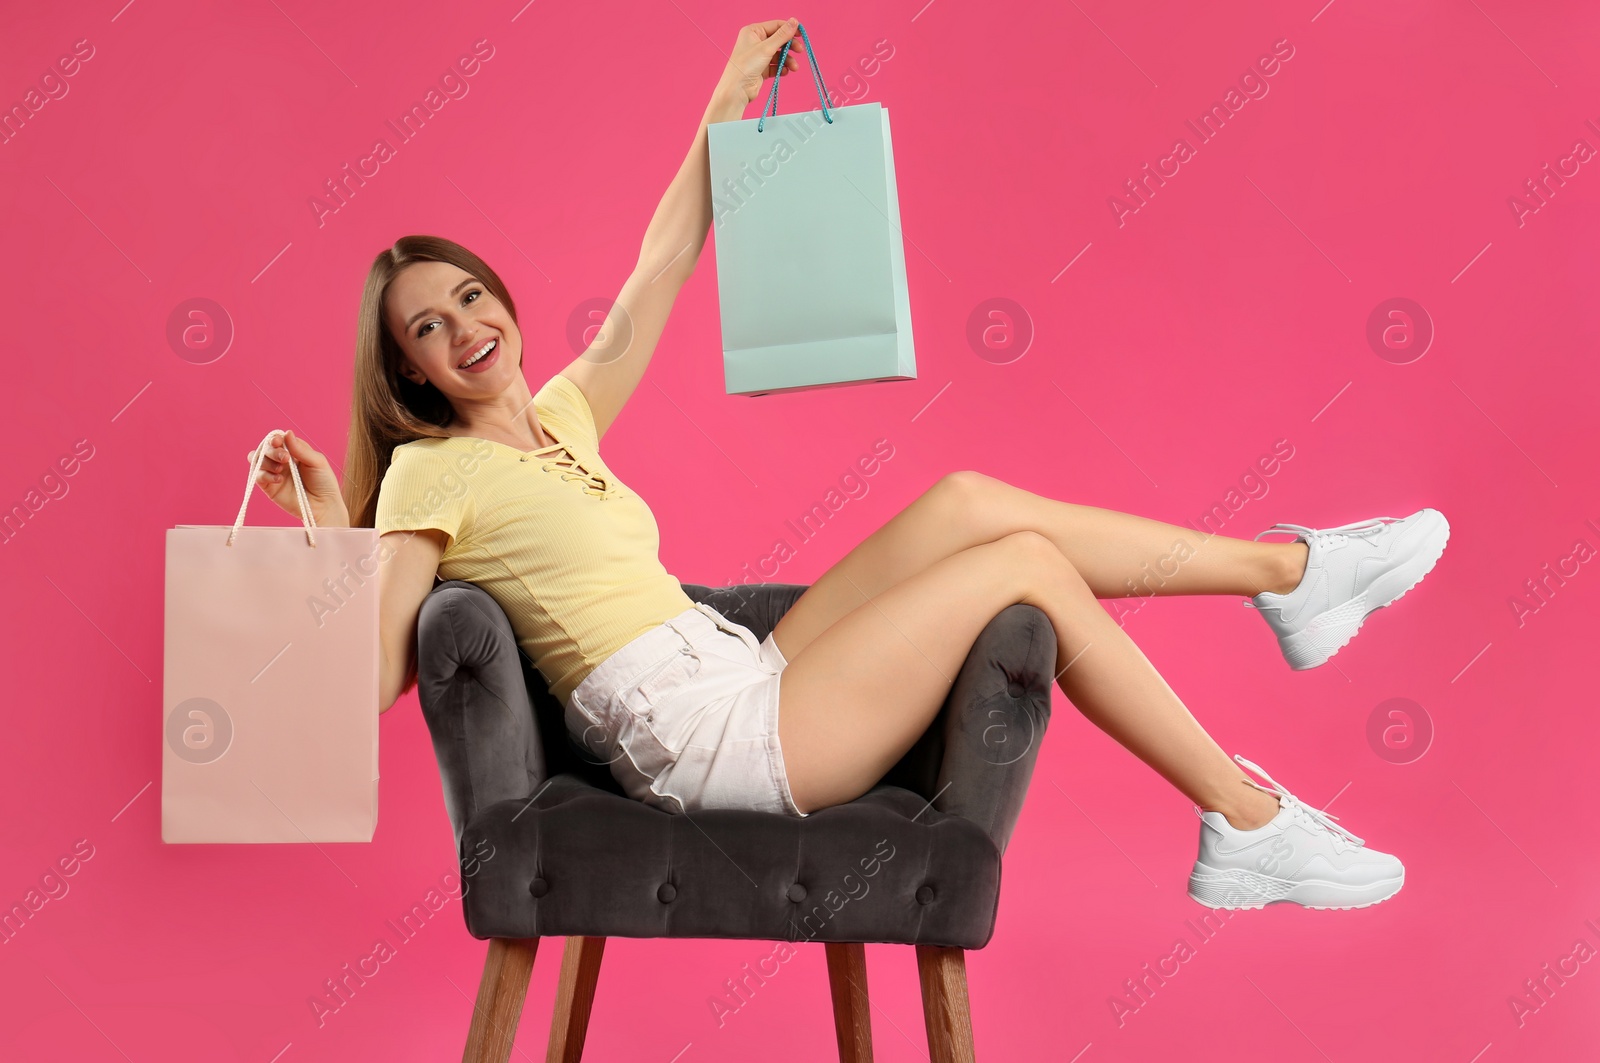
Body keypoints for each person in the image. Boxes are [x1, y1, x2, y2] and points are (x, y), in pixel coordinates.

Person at [247, 18, 1450, 911]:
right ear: (409, 373)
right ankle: (1241, 814)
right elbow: (373, 673)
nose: (466, 329)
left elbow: (664, 259)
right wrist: (326, 528)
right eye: (428, 329)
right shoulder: (429, 478)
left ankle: (1287, 576)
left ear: (497, 298)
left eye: (469, 296)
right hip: (706, 739)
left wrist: (726, 89)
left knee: (970, 500)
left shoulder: (560, 412)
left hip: (741, 665)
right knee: (1019, 562)